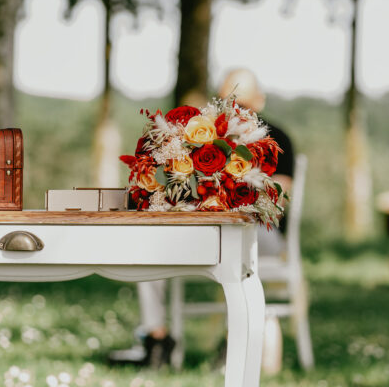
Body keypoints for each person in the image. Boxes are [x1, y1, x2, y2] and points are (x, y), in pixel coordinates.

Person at [108, 68, 295, 368]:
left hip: (262, 233)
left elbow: (280, 197)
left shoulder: (278, 138)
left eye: (242, 103)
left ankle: (237, 341)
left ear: (259, 101)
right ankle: (157, 339)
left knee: (236, 242)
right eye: (227, 101)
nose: (235, 108)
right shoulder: (204, 138)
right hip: (209, 227)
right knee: (150, 246)